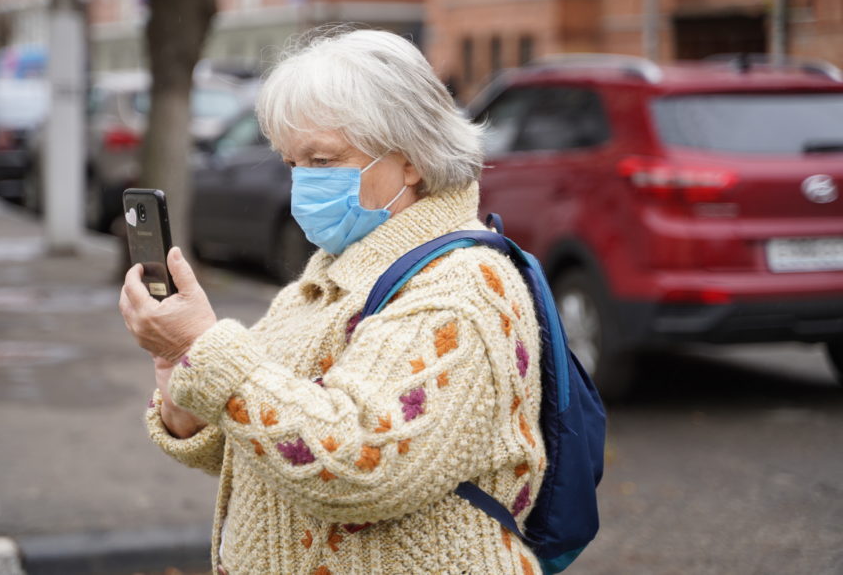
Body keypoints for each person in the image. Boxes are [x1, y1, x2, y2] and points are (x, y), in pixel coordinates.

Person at [120, 28, 547, 574]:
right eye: (291, 163)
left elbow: (359, 462)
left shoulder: (459, 291)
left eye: (321, 161)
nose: (301, 184)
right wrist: (184, 387)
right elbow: (267, 443)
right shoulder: (333, 274)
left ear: (411, 157)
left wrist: (204, 346)